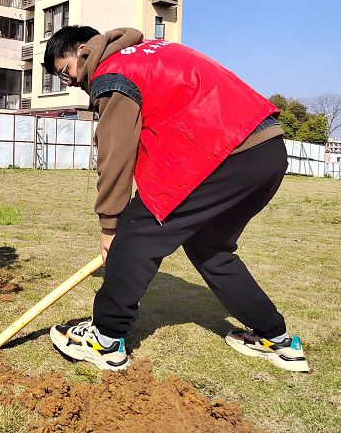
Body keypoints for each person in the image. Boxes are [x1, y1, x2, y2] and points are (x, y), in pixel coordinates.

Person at [43, 26, 309, 373]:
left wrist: (110, 225)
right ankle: (277, 339)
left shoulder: (113, 71)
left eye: (66, 71)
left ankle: (104, 338)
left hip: (222, 151)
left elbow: (115, 152)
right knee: (209, 248)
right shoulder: (148, 53)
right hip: (266, 149)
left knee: (135, 231)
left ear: (82, 49)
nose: (72, 82)